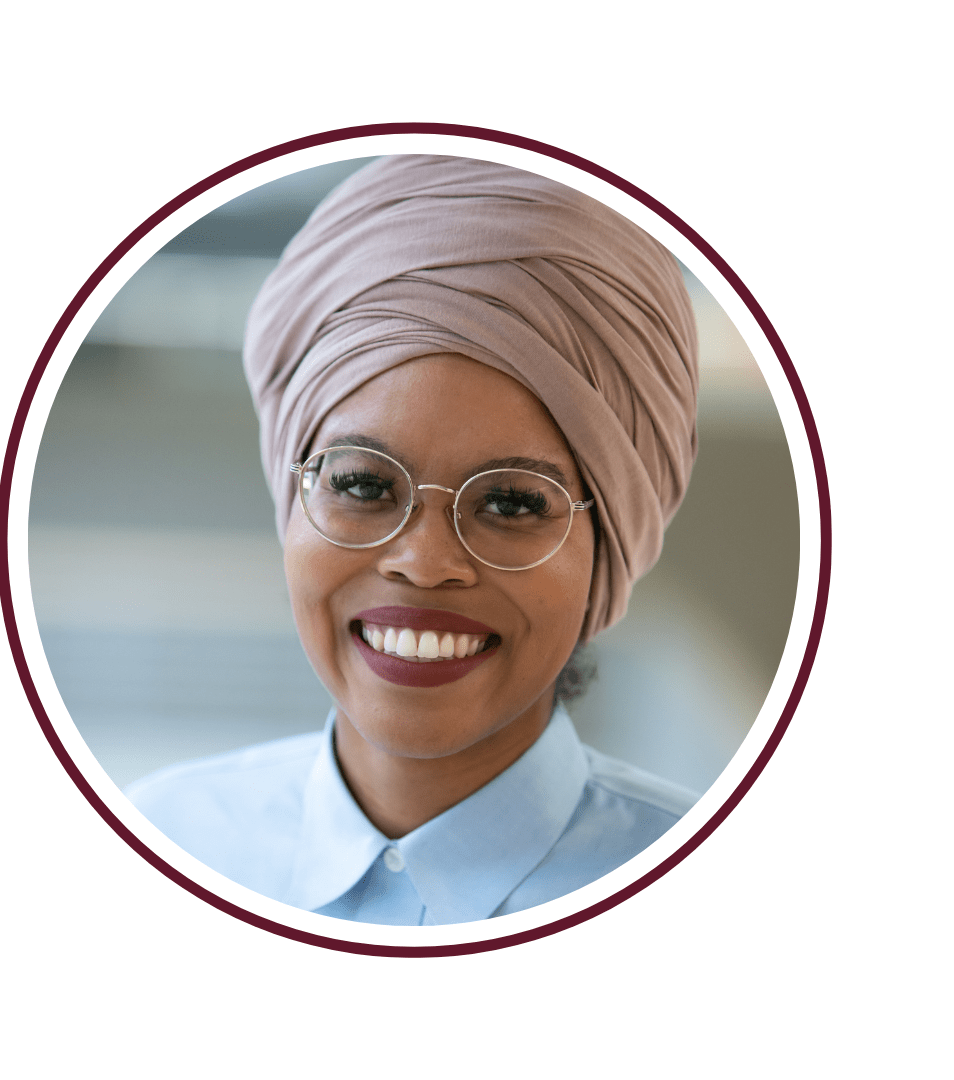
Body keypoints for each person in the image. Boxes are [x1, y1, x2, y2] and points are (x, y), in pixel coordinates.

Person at [126, 155, 701, 926]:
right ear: (294, 498)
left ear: (611, 542)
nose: (425, 564)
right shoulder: (158, 856)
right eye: (363, 485)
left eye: (510, 502)